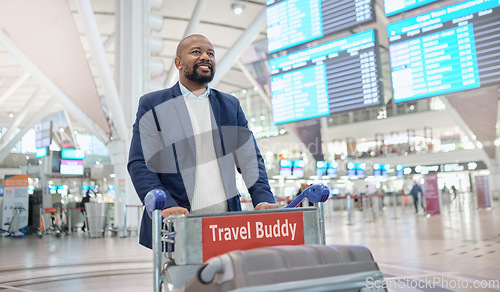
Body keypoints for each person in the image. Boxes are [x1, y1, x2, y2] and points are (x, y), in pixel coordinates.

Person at [128, 34, 279, 249]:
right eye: (196, 52)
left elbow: (249, 159)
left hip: (227, 227)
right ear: (178, 63)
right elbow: (141, 163)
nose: (205, 57)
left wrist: (263, 199)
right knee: (182, 282)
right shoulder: (153, 104)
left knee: (230, 280)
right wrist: (165, 206)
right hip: (176, 224)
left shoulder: (230, 105)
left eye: (210, 53)